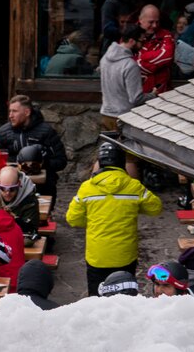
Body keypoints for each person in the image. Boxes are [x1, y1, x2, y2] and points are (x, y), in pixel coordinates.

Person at [67, 142, 162, 296]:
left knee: (96, 298)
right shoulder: (134, 187)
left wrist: (92, 221)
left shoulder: (87, 188)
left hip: (97, 256)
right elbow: (156, 208)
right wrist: (134, 208)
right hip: (125, 256)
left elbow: (72, 219)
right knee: (126, 296)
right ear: (121, 162)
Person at [100, 24, 145, 130]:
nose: (142, 46)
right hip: (123, 118)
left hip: (106, 114)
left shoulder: (105, 58)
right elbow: (136, 98)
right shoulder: (130, 65)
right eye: (141, 42)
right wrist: (153, 95)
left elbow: (114, 82)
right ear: (131, 41)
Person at [136, 4, 176, 96]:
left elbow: (168, 56)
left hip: (161, 94)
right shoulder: (129, 35)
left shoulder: (166, 35)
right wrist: (156, 65)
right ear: (141, 20)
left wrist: (141, 59)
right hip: (137, 94)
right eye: (151, 22)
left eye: (157, 22)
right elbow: (127, 64)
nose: (154, 25)